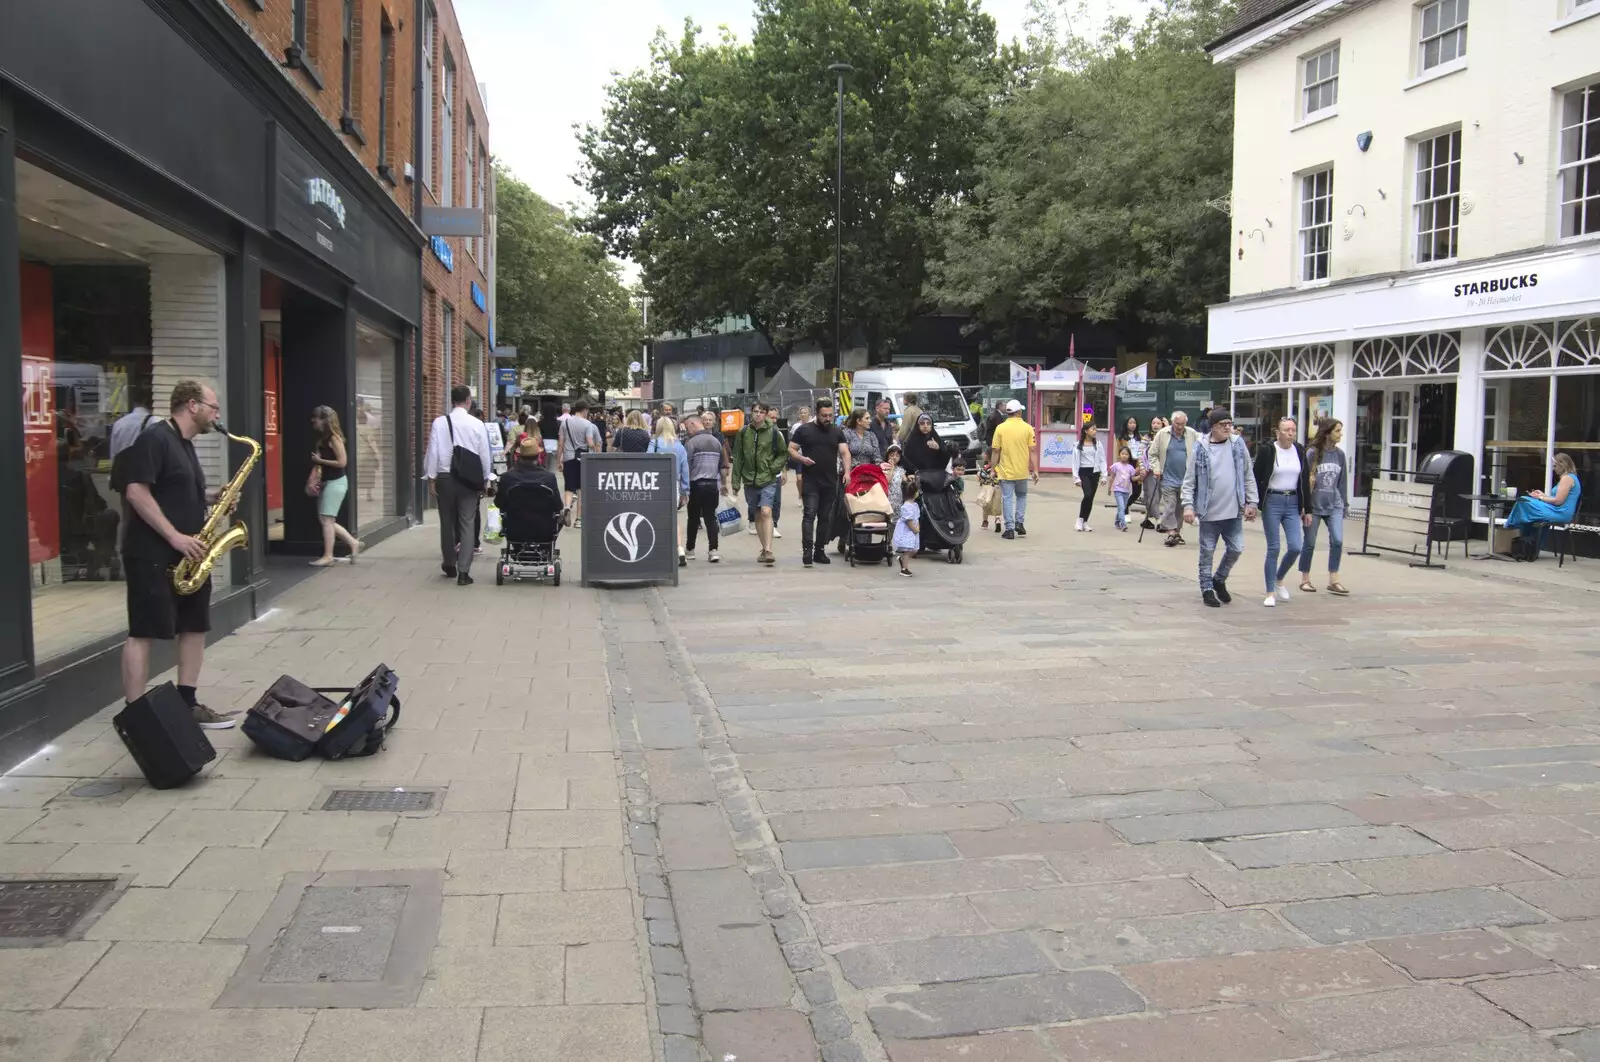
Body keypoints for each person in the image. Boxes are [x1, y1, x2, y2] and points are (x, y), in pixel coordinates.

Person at [119, 379, 239, 729]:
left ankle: (188, 704)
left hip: (190, 555)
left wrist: (214, 497)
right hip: (153, 553)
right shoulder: (155, 439)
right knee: (142, 632)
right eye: (213, 407)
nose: (216, 415)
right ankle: (136, 715)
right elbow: (136, 493)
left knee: (193, 626)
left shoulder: (185, 444)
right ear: (192, 405)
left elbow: (173, 491)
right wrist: (174, 537)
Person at [1181, 407, 1259, 608]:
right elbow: (1189, 479)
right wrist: (1188, 506)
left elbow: (1248, 475)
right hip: (1208, 511)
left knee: (1236, 548)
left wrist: (1252, 502)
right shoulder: (1201, 447)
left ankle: (1219, 578)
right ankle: (1206, 587)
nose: (1227, 428)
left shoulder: (1237, 444)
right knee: (1207, 551)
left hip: (1233, 510)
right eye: (1223, 425)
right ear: (1212, 427)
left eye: (1229, 424)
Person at [425, 384, 497, 585]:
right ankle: (464, 571)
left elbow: (432, 451)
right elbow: (484, 454)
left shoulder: (439, 422)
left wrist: (431, 478)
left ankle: (449, 564)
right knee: (467, 522)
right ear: (468, 401)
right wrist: (485, 479)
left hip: (445, 478)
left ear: (451, 400)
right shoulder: (477, 424)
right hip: (469, 480)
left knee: (446, 522)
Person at [1253, 416, 1308, 608]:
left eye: (1293, 430)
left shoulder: (1299, 450)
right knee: (1274, 547)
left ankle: (1279, 578)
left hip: (1292, 501)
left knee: (1295, 546)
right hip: (1273, 501)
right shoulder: (1269, 450)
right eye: (1286, 430)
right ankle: (1269, 592)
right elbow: (1256, 475)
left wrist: (1307, 508)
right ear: (1278, 432)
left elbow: (1305, 480)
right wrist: (1252, 503)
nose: (1290, 434)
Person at [790, 397, 851, 568]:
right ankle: (807, 550)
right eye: (824, 415)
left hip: (830, 481)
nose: (828, 418)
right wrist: (802, 459)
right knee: (809, 514)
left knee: (825, 517)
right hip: (811, 480)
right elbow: (791, 449)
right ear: (817, 413)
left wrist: (847, 472)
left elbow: (845, 453)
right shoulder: (804, 430)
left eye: (830, 415)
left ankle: (819, 550)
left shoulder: (837, 431)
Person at [1300, 417, 1351, 596]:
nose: (1340, 434)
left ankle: (1334, 579)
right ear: (1327, 433)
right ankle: (1305, 579)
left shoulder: (1340, 455)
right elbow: (1303, 481)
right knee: (1310, 543)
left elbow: (1342, 481)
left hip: (1334, 503)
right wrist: (1304, 506)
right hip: (1314, 505)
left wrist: (1344, 504)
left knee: (1337, 540)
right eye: (1337, 431)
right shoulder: (1312, 453)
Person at [731, 403, 788, 565]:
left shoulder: (774, 432)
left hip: (768, 478)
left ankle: (769, 549)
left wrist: (774, 468)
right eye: (755, 411)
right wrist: (735, 483)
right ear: (751, 413)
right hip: (749, 480)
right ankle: (764, 548)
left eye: (761, 412)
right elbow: (738, 458)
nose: (758, 415)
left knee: (766, 511)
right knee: (757, 514)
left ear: (765, 414)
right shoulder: (743, 433)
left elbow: (782, 454)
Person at [307, 405, 363, 566]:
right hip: (328, 482)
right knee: (326, 519)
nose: (313, 421)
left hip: (336, 482)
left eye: (316, 418)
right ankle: (353, 543)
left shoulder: (333, 438)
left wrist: (320, 461)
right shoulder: (323, 439)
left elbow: (342, 462)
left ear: (324, 420)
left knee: (326, 519)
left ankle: (328, 556)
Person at [110, 384, 159, 554]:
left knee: (126, 516)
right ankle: (143, 549)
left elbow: (114, 453)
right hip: (145, 474)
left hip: (124, 475)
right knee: (147, 514)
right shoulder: (154, 422)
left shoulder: (119, 423)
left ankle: (123, 551)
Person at [1505, 452, 1583, 552]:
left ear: (1562, 464)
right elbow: (1557, 498)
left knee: (1523, 502)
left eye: (1555, 466)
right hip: (1557, 510)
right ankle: (1526, 542)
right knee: (1526, 503)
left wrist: (1540, 498)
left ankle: (1510, 529)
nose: (1554, 468)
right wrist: (1542, 495)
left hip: (1560, 513)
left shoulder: (1567, 478)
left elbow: (1558, 501)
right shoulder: (1570, 478)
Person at [1148, 411, 1201, 546]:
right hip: (1167, 477)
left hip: (1186, 479)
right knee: (1170, 506)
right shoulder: (1163, 434)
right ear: (1172, 422)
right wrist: (1156, 468)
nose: (1180, 427)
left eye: (1182, 424)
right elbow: (1152, 454)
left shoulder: (1192, 433)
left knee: (1180, 508)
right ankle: (1171, 532)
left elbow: (1204, 444)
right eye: (1177, 424)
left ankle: (1176, 532)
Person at [987, 399, 1037, 541]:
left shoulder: (1000, 428)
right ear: (1019, 412)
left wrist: (992, 469)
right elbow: (1032, 450)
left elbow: (996, 451)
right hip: (1022, 471)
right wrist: (1036, 470)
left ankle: (1009, 529)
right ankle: (1019, 523)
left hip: (1005, 471)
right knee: (1021, 496)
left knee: (1007, 498)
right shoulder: (1028, 428)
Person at [683, 416, 728, 563]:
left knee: (693, 518)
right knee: (710, 518)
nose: (687, 430)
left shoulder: (691, 443)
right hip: (712, 485)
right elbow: (722, 466)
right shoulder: (716, 442)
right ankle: (713, 550)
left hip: (696, 485)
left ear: (693, 424)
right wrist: (723, 484)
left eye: (688, 427)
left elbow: (686, 466)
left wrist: (684, 487)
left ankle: (690, 550)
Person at [649, 415, 691, 566]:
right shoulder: (679, 446)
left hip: (656, 485)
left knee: (656, 518)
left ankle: (659, 550)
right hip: (673, 485)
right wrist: (685, 491)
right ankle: (679, 548)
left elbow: (647, 465)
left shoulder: (653, 444)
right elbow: (685, 470)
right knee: (673, 518)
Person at [558, 399, 603, 527]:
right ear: (585, 410)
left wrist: (558, 460)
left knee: (569, 487)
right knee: (581, 489)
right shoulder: (588, 424)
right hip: (583, 459)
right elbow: (590, 442)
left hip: (568, 457)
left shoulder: (565, 423)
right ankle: (579, 519)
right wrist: (593, 448)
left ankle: (566, 507)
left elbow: (561, 443)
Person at [1074, 424, 1107, 532]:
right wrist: (1076, 478)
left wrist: (1104, 475)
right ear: (1085, 431)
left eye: (1095, 429)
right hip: (1083, 472)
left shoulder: (1097, 444)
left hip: (1095, 472)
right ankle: (1079, 519)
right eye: (1093, 429)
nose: (1095, 431)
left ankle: (1085, 522)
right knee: (1087, 494)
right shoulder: (1078, 445)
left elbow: (1102, 459)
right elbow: (1075, 462)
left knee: (1091, 498)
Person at [892, 474, 922, 578]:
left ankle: (902, 559)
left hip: (913, 529)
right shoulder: (907, 506)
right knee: (908, 549)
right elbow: (909, 521)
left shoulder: (914, 505)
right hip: (908, 530)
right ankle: (904, 569)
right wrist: (914, 529)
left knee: (914, 549)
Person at [1109, 445, 1137, 532]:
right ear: (1119, 455)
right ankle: (1123, 523)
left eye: (1126, 454)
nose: (1124, 456)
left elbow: (1133, 479)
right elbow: (1112, 477)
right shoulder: (1116, 466)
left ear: (1129, 456)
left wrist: (1140, 477)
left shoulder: (1131, 468)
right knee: (1121, 507)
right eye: (1122, 453)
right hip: (1117, 490)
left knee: (1123, 507)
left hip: (1126, 491)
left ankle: (1117, 522)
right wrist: (1109, 488)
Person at [883, 443, 907, 514]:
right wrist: (892, 468)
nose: (894, 457)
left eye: (897, 456)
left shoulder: (900, 470)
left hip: (898, 500)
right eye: (892, 455)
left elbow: (905, 481)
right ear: (887, 456)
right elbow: (887, 481)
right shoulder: (884, 468)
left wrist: (909, 477)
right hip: (887, 500)